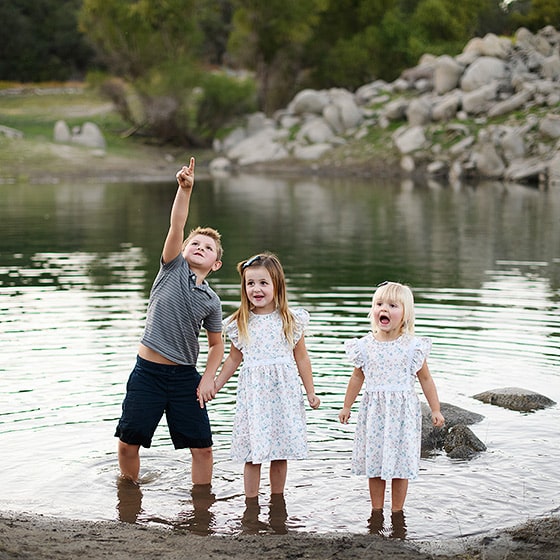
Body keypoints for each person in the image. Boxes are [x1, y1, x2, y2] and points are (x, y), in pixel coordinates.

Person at [115, 157, 224, 490]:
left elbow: (217, 345)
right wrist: (184, 189)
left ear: (216, 263)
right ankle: (128, 489)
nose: (200, 247)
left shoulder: (212, 301)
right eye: (195, 243)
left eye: (208, 247)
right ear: (182, 250)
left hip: (183, 379)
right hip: (147, 372)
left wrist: (208, 380)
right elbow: (177, 224)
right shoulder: (171, 268)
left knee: (203, 448)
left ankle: (201, 505)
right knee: (128, 442)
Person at [213, 252, 320, 511]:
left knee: (280, 450)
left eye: (263, 283)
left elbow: (302, 358)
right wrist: (215, 385)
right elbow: (232, 360)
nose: (256, 289)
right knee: (253, 452)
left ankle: (277, 500)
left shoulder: (290, 320)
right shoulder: (241, 322)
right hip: (254, 396)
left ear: (277, 285)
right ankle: (251, 503)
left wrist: (311, 392)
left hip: (283, 393)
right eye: (250, 283)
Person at [338, 281, 444, 532]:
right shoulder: (364, 346)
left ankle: (398, 512)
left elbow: (426, 379)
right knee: (374, 465)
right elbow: (357, 378)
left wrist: (436, 409)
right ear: (373, 310)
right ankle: (376, 512)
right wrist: (346, 407)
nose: (383, 309)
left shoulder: (412, 347)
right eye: (379, 304)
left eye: (392, 305)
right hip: (374, 414)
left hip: (402, 415)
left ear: (405, 314)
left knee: (400, 465)